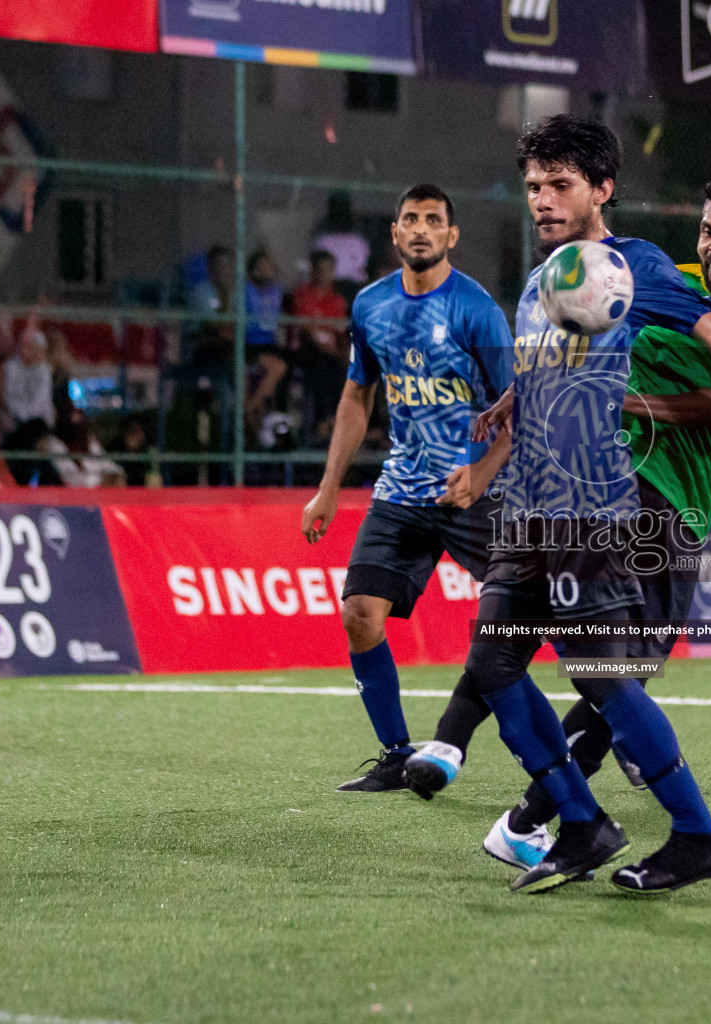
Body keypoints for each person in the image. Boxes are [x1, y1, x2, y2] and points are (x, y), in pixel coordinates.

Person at [404, 115, 711, 896]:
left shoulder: (643, 271)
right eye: (533, 186)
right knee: (499, 658)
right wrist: (509, 412)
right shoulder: (559, 279)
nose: (543, 200)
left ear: (601, 190)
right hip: (552, 489)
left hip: (644, 502)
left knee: (604, 676)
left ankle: (680, 832)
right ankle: (574, 820)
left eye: (560, 184)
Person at [483, 172, 711, 888]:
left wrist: (623, 403)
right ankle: (559, 821)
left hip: (673, 511)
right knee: (566, 659)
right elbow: (585, 333)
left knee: (609, 673)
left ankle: (565, 820)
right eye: (708, 230)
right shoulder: (662, 277)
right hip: (605, 487)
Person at [299, 183, 519, 794]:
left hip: (475, 490)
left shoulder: (477, 309)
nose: (421, 229)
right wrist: (328, 488)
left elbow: (519, 406)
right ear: (394, 235)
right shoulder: (369, 305)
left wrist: (482, 472)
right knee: (360, 616)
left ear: (451, 236)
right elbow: (356, 394)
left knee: (525, 617)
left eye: (434, 221)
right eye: (410, 220)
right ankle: (398, 755)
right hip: (401, 490)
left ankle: (597, 720)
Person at [292, 249, 350, 439]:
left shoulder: (337, 300)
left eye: (328, 269)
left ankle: (343, 421)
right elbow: (306, 331)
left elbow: (340, 332)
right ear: (313, 271)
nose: (324, 274)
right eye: (320, 269)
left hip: (331, 354)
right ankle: (324, 421)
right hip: (307, 351)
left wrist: (343, 352)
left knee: (347, 368)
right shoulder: (303, 295)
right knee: (321, 366)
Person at [243, 250, 288, 428]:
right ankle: (251, 410)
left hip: (270, 344)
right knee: (277, 367)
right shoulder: (245, 290)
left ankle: (274, 418)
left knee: (286, 367)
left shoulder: (276, 292)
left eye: (268, 267)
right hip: (249, 344)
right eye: (260, 267)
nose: (264, 271)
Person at [2, 327, 56, 432]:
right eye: (29, 347)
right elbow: (9, 396)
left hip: (38, 424)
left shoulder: (44, 371)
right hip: (13, 423)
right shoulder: (11, 367)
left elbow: (39, 403)